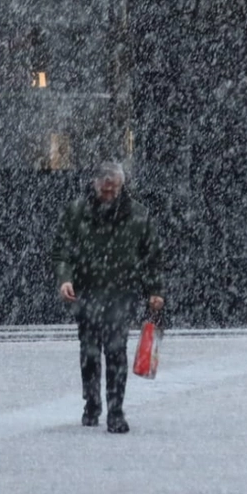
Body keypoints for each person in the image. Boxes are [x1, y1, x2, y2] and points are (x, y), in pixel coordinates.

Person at [52, 161, 164, 434]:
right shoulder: (76, 212)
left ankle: (115, 410)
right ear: (95, 185)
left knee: (115, 350)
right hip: (87, 290)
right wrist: (65, 278)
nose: (108, 195)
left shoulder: (138, 215)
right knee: (89, 352)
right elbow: (61, 250)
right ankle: (92, 404)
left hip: (121, 292)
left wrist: (155, 290)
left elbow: (151, 256)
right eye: (104, 190)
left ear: (121, 187)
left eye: (113, 190)